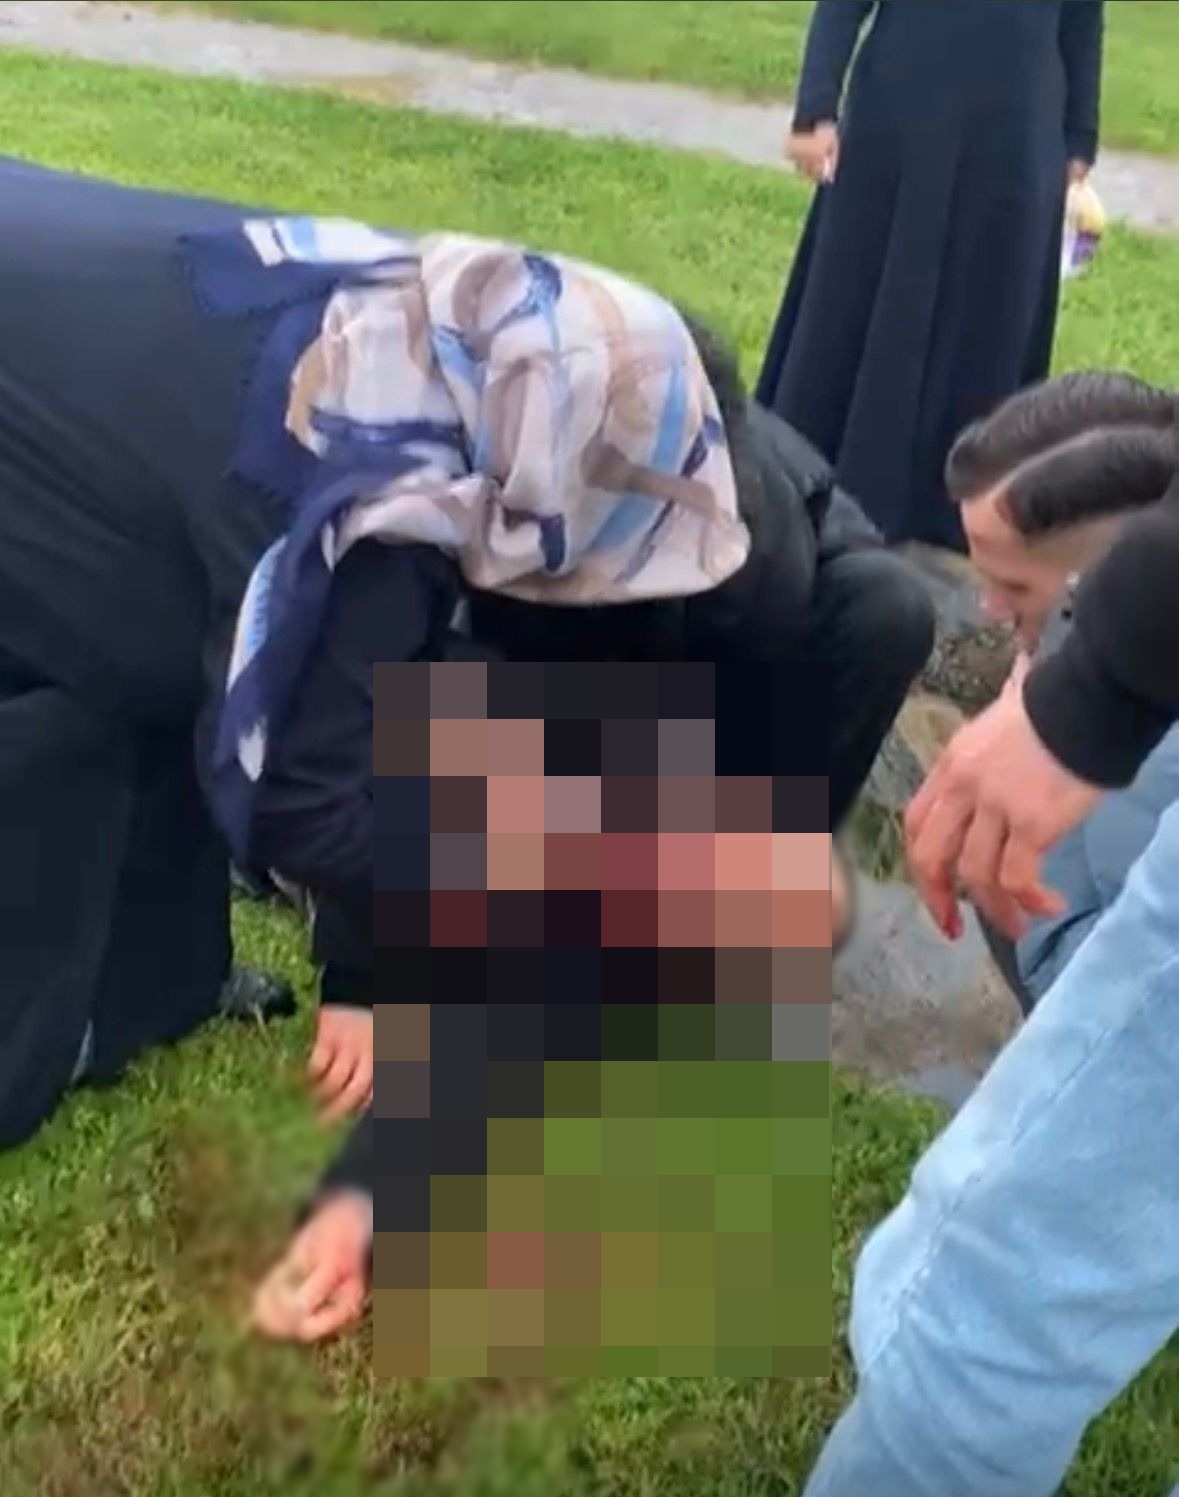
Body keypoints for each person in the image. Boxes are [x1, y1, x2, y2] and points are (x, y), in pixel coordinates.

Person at [231, 220, 933, 1342]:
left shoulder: (773, 591)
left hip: (756, 697)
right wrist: (361, 979)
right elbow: (431, 768)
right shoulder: (529, 510)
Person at [802, 373, 1179, 1496]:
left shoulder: (1124, 777)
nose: (981, 604)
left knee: (982, 1306)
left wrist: (1088, 691)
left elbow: (1103, 1008)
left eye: (1012, 584)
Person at [0, 157, 301, 1151]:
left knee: (169, 664)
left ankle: (164, 984)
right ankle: (53, 1034)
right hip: (40, 434)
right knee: (62, 728)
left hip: (112, 436)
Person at [757, 0, 1105, 551]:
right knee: (877, 292)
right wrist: (815, 109)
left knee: (994, 308)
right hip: (903, 114)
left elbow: (1082, 15)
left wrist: (1080, 135)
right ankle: (832, 477)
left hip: (1021, 126)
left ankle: (961, 496)